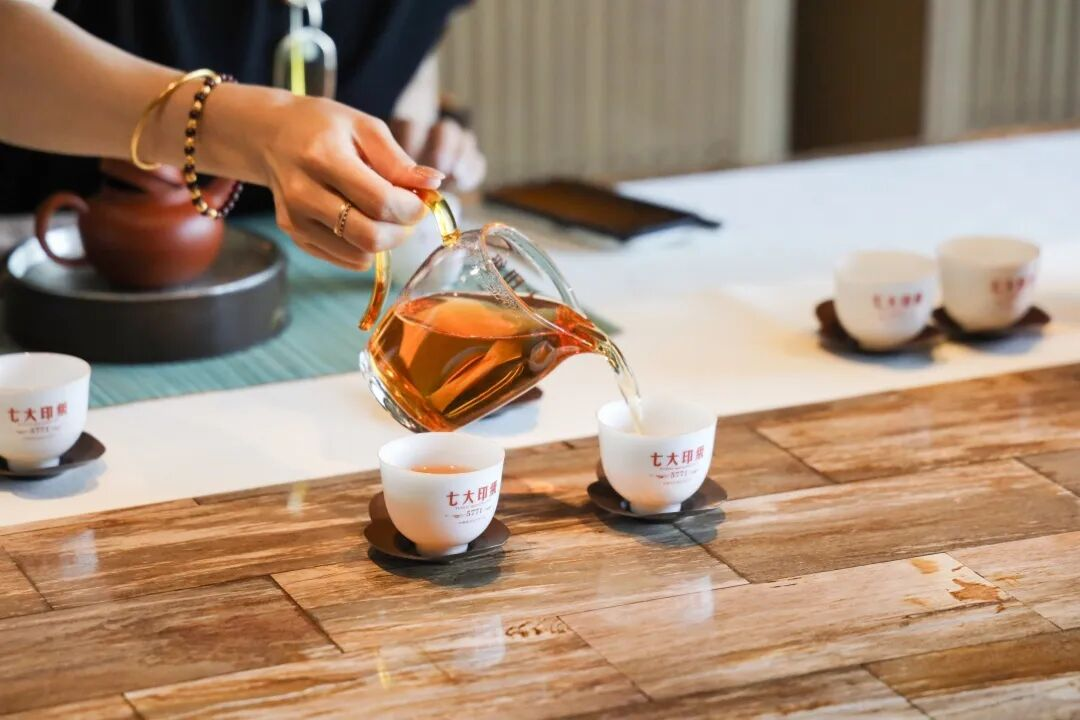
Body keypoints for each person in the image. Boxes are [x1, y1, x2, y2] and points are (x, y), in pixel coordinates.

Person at [0, 0, 487, 270]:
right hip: (49, 269)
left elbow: (416, 44)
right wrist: (236, 126)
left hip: (300, 284)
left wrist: (410, 133)